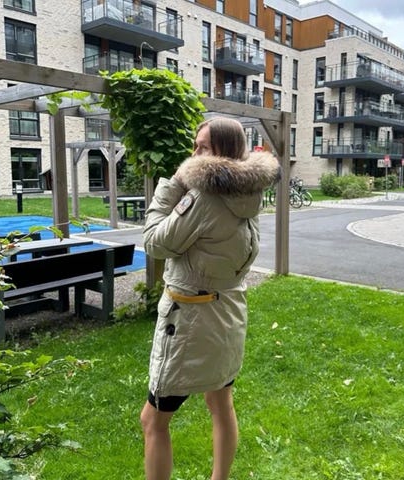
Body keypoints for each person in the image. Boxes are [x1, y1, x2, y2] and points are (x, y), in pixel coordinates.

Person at [140, 116, 281, 480]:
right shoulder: (250, 194)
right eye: (195, 145)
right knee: (220, 402)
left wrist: (172, 185)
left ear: (223, 152)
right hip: (228, 314)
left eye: (203, 147)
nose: (194, 154)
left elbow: (154, 243)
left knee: (152, 419)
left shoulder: (203, 198)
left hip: (190, 321)